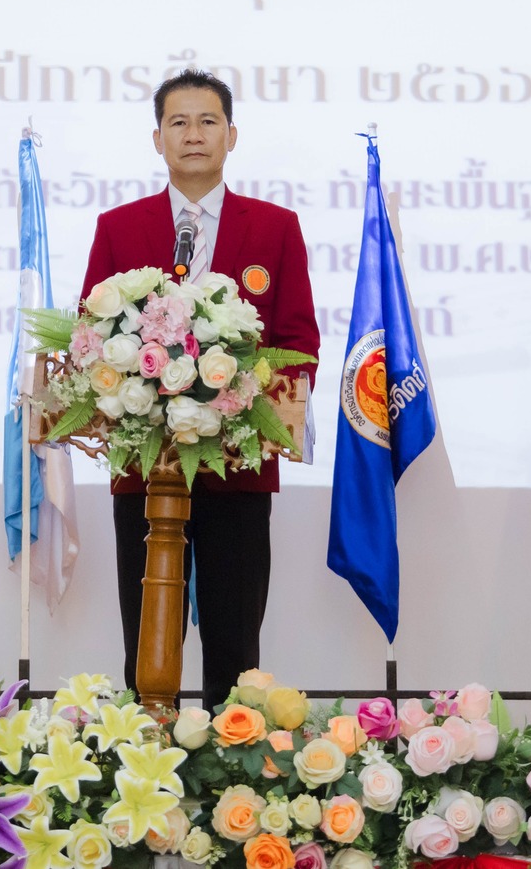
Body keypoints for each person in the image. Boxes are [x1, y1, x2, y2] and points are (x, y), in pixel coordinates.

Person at [82, 70, 319, 708]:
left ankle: (227, 779)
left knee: (235, 647)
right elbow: (90, 340)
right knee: (144, 638)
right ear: (157, 138)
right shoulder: (118, 228)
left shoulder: (274, 228)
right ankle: (143, 759)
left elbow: (299, 343)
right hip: (145, 468)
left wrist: (246, 400)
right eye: (179, 123)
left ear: (232, 135)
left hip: (237, 470)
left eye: (208, 122)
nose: (194, 136)